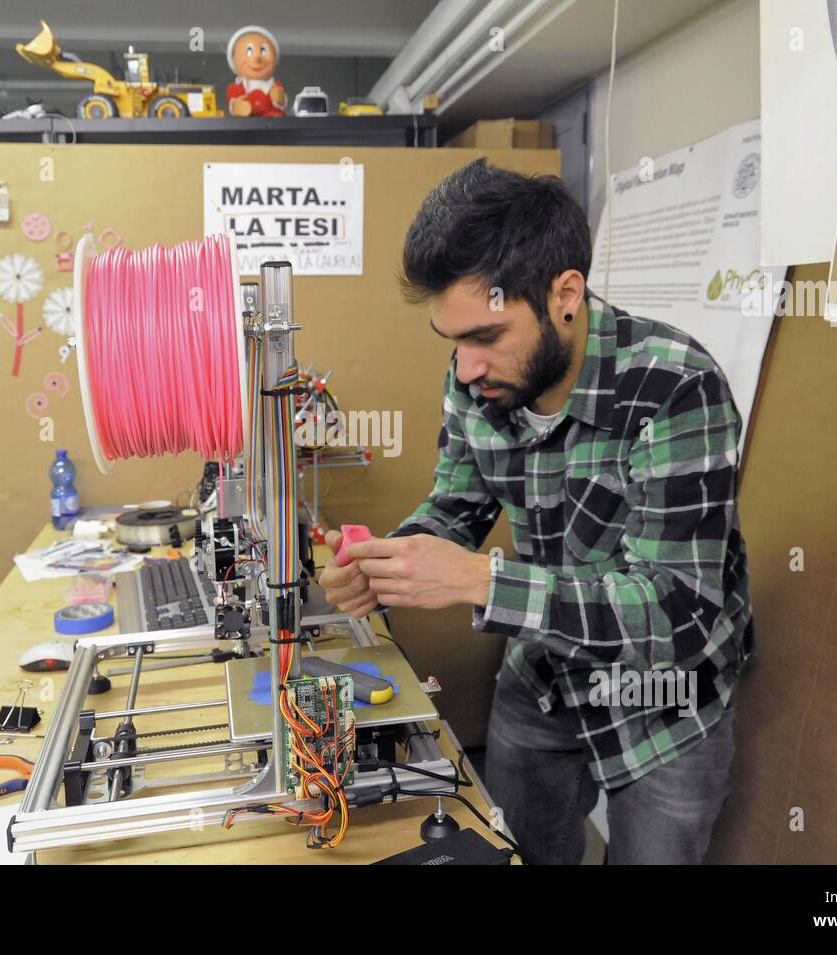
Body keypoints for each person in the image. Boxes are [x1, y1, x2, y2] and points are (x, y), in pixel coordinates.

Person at [317, 159, 754, 864]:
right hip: (544, 676)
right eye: (452, 341)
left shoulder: (677, 388)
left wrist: (481, 582)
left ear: (565, 295)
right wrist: (391, 562)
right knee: (515, 850)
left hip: (668, 700)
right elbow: (456, 506)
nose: (465, 369)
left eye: (487, 337)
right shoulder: (474, 382)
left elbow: (678, 612)